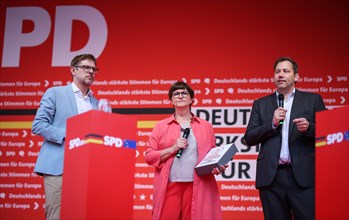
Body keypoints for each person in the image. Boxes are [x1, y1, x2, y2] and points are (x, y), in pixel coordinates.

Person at [244, 56, 326, 220]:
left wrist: (310, 128)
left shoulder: (312, 100)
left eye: (286, 71)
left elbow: (328, 134)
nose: (280, 74)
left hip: (304, 177)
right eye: (277, 72)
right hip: (272, 179)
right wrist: (272, 124)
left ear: (296, 77)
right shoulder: (261, 104)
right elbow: (249, 137)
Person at [145, 81, 226, 220]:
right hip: (169, 185)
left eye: (184, 93)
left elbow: (211, 155)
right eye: (176, 94)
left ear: (192, 99)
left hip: (198, 186)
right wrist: (173, 148)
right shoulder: (160, 126)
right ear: (171, 100)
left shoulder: (205, 126)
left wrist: (217, 166)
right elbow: (149, 156)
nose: (180, 96)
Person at [32, 54, 99, 220]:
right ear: (73, 70)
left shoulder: (96, 102)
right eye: (86, 67)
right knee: (57, 216)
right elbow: (38, 125)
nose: (91, 71)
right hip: (58, 168)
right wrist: (71, 135)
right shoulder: (55, 93)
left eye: (94, 69)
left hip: (85, 170)